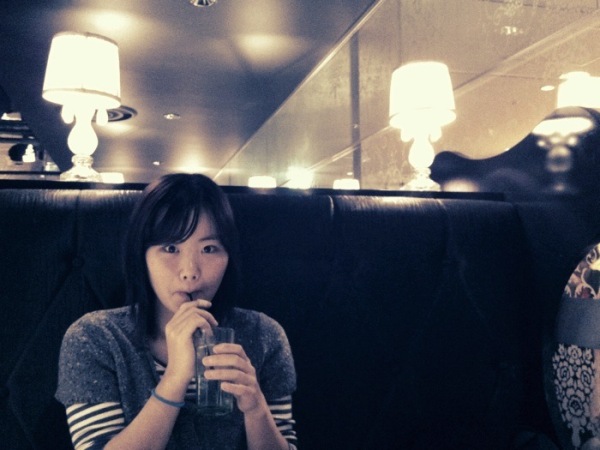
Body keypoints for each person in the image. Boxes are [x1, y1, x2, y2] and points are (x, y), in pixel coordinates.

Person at [55, 173, 297, 450]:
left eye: (209, 248)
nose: (190, 272)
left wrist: (256, 408)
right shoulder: (95, 338)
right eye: (171, 248)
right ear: (142, 255)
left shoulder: (263, 335)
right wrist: (175, 378)